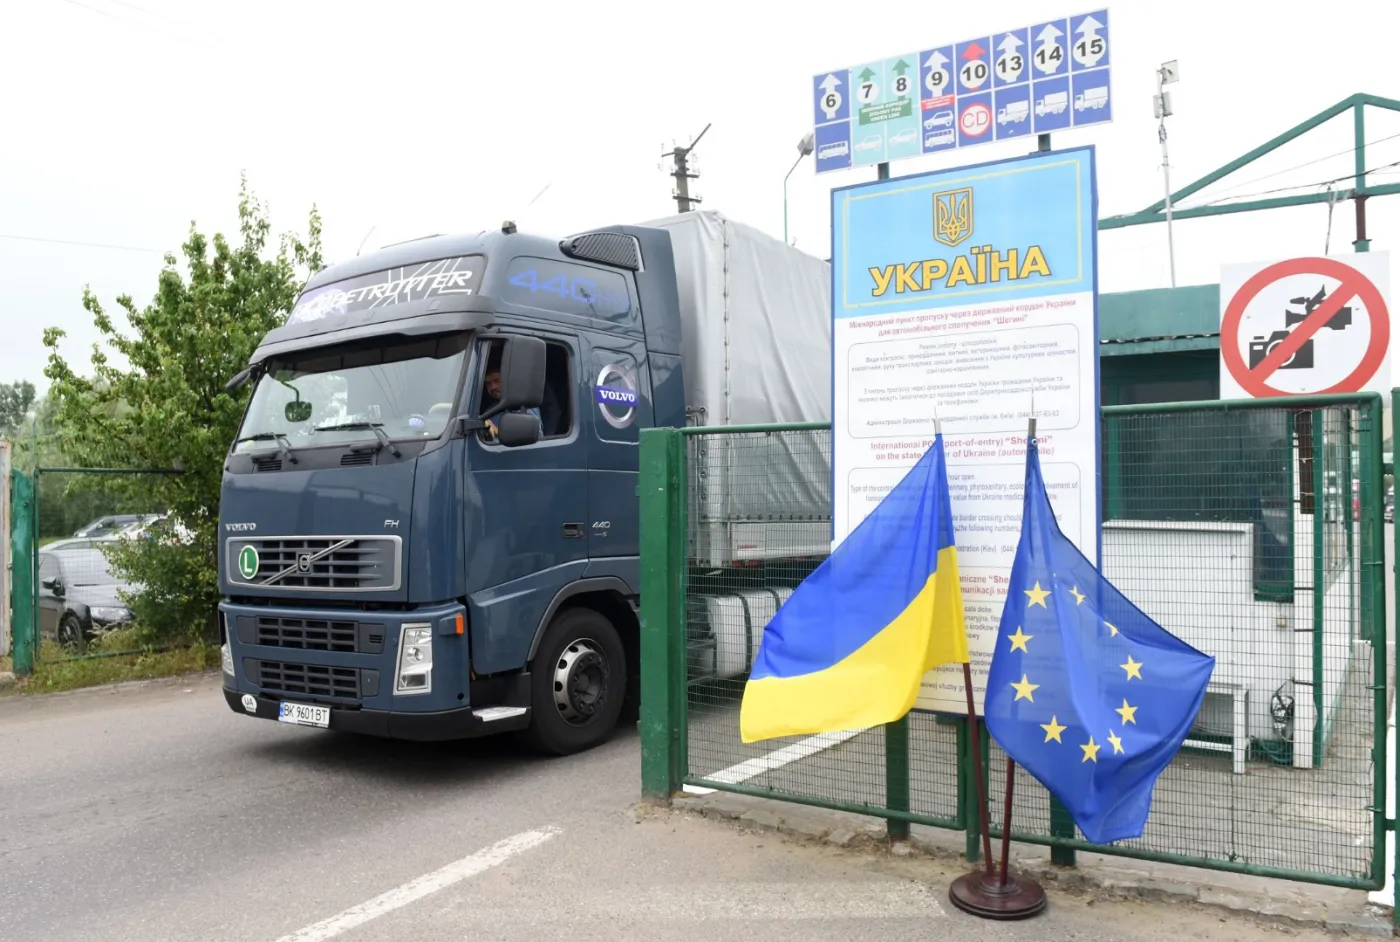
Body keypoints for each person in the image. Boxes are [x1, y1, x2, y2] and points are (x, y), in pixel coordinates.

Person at [481, 358, 541, 441]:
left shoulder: (524, 404)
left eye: (497, 381)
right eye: (488, 383)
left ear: (507, 380)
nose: (492, 387)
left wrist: (496, 431)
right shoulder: (490, 410)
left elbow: (535, 437)